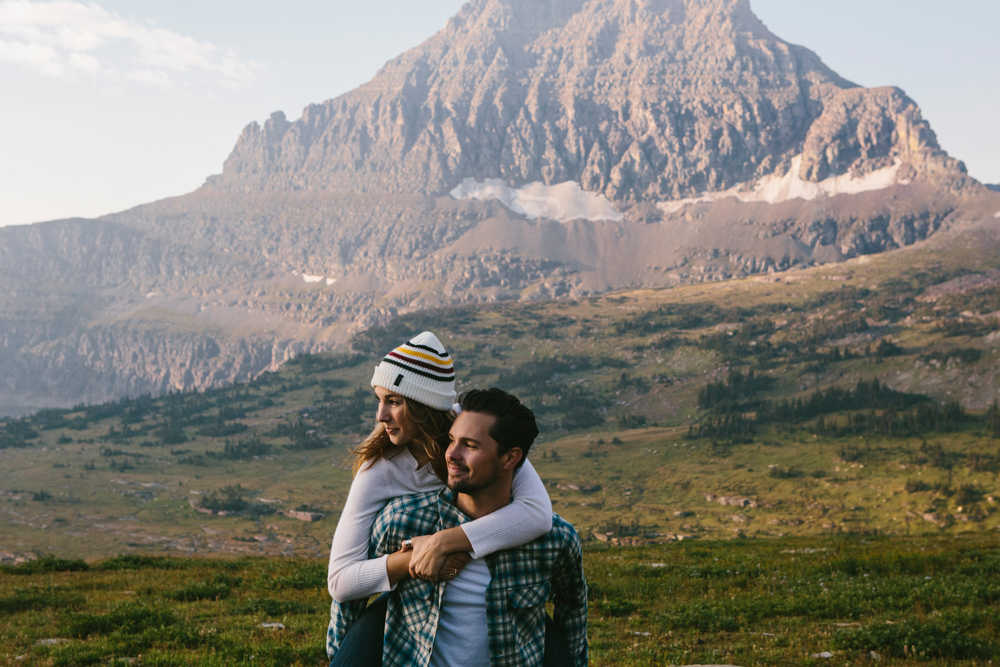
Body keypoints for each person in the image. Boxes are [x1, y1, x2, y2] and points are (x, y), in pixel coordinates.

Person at [326, 332, 554, 663]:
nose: (380, 416)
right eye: (379, 400)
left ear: (423, 406)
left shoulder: (474, 429)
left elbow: (536, 513)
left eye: (393, 402)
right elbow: (340, 581)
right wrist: (414, 561)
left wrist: (445, 542)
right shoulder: (379, 471)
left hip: (493, 590)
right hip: (413, 600)